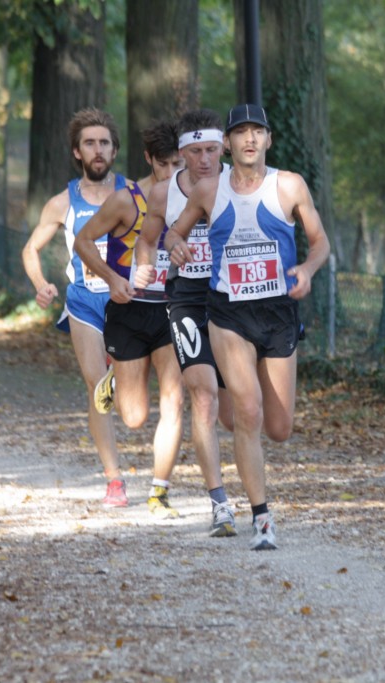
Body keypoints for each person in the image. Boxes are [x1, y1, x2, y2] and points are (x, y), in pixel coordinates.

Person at [157, 104, 330, 550]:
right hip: (228, 313)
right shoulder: (210, 191)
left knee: (279, 426)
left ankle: (248, 446)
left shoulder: (288, 185)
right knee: (248, 412)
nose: (249, 139)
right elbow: (174, 233)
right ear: (229, 144)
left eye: (258, 132)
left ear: (269, 140)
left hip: (277, 312)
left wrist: (307, 270)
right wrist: (176, 248)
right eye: (241, 133)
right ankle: (262, 519)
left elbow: (320, 242)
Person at [20, 107, 134, 508]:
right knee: (96, 386)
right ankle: (114, 480)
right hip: (84, 302)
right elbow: (31, 249)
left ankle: (124, 380)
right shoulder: (61, 203)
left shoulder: (134, 194)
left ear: (114, 151)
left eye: (104, 142)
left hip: (128, 302)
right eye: (90, 143)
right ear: (77, 152)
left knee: (129, 402)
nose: (98, 149)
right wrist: (41, 285)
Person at [73, 120, 186, 519]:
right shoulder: (127, 199)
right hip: (129, 310)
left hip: (173, 308)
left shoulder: (197, 197)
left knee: (174, 398)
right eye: (165, 164)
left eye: (179, 164)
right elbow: (83, 241)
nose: (173, 174)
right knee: (134, 417)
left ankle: (159, 491)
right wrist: (112, 279)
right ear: (149, 160)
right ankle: (117, 378)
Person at [133, 108, 238, 538]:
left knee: (242, 415)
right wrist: (145, 265)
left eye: (213, 149)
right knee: (204, 396)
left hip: (234, 299)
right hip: (187, 298)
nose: (205, 159)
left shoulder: (242, 184)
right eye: (195, 151)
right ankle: (219, 505)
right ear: (181, 152)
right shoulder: (163, 194)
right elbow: (147, 239)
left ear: (224, 148)